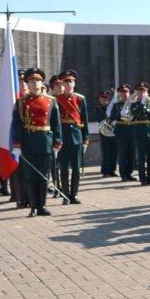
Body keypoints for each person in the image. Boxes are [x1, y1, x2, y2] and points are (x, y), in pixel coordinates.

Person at [12, 68, 63, 217]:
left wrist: (57, 143)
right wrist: (17, 144)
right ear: (27, 84)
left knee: (44, 175)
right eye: (32, 81)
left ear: (42, 83)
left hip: (45, 141)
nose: (35, 83)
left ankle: (43, 206)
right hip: (28, 142)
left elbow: (56, 123)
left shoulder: (51, 101)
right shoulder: (21, 102)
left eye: (38, 80)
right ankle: (34, 207)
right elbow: (17, 124)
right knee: (30, 176)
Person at [55, 70, 88, 204]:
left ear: (74, 84)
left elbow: (84, 120)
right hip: (62, 138)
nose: (69, 84)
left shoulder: (80, 99)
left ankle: (74, 195)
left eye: (71, 81)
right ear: (62, 84)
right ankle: (65, 196)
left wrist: (85, 139)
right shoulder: (56, 99)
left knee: (76, 168)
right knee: (63, 169)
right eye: (66, 81)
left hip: (76, 137)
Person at [129, 83, 150, 185]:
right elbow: (135, 113)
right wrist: (142, 103)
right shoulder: (134, 104)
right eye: (140, 91)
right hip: (140, 132)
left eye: (144, 91)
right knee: (141, 157)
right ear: (137, 92)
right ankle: (143, 179)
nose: (142, 93)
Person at [109, 84, 136, 181]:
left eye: (126, 92)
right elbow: (111, 118)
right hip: (121, 131)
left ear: (129, 93)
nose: (125, 94)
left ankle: (129, 173)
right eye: (122, 92)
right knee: (123, 154)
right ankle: (123, 175)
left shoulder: (134, 104)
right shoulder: (116, 105)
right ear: (119, 94)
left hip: (132, 130)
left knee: (132, 154)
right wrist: (120, 115)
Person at [93, 91, 117, 177]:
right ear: (99, 99)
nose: (104, 100)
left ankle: (112, 170)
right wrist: (106, 114)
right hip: (104, 132)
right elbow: (98, 118)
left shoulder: (114, 107)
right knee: (106, 152)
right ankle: (105, 171)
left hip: (113, 132)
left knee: (114, 152)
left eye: (106, 98)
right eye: (102, 98)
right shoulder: (98, 109)